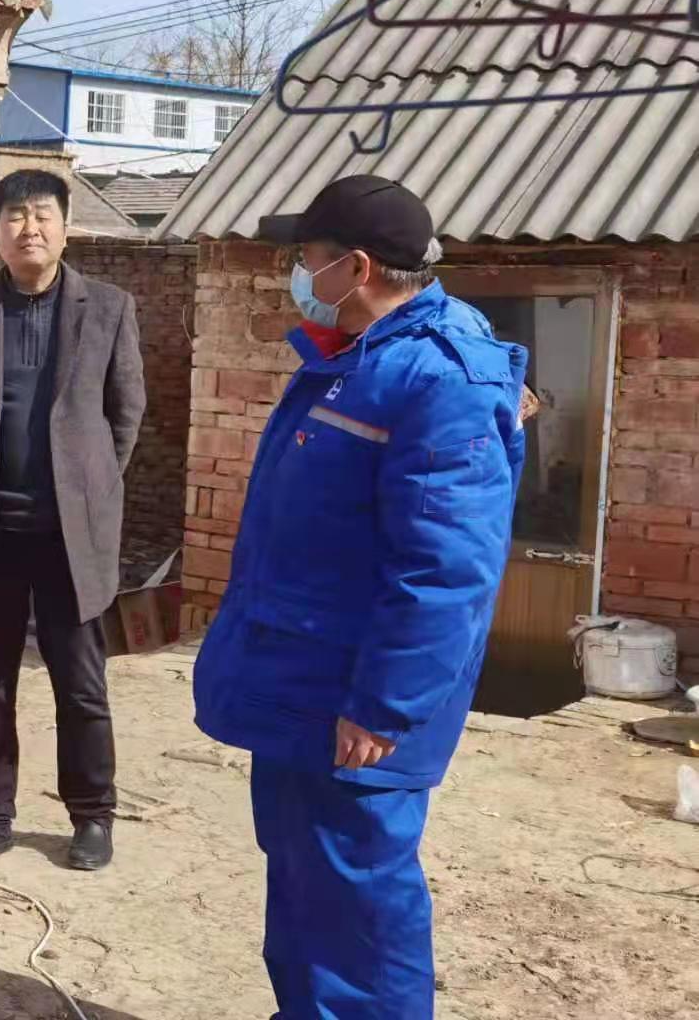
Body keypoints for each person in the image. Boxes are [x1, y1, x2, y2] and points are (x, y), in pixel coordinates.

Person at [195, 175, 524, 1017]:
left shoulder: (436, 378)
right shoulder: (359, 357)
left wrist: (383, 707)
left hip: (357, 701)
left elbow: (443, 570)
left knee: (357, 901)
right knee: (306, 882)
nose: (298, 273)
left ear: (357, 267)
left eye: (308, 256)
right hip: (305, 680)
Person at [0, 168, 144, 872]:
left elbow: (125, 414)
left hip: (68, 536)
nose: (29, 228)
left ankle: (92, 817)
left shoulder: (108, 308)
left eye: (42, 214)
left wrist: (87, 489)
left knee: (80, 683)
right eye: (15, 216)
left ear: (65, 227)